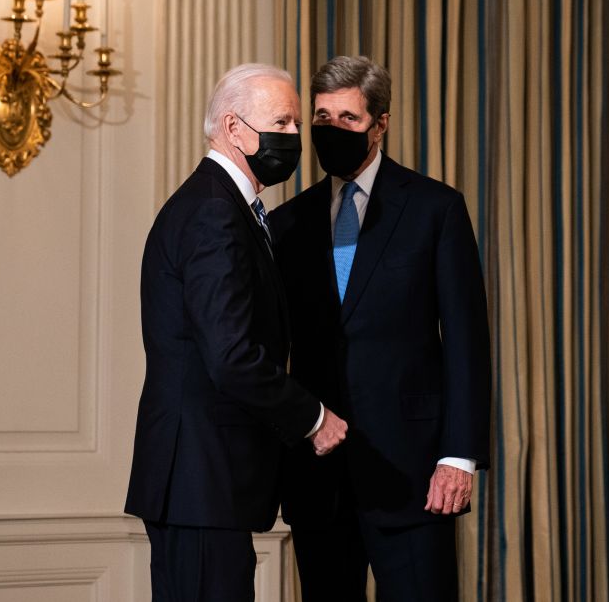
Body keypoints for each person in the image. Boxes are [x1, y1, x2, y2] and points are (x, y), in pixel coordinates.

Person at [269, 56, 491, 601]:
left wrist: (458, 456)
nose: (333, 131)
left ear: (381, 123)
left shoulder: (436, 209)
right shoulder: (286, 224)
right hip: (319, 477)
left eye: (349, 118)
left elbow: (467, 341)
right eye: (322, 118)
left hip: (414, 475)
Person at [125, 64, 349, 601]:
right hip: (200, 476)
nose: (296, 137)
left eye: (297, 124)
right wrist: (312, 417)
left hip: (207, 481)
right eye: (283, 122)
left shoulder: (224, 207)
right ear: (233, 127)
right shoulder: (212, 212)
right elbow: (231, 355)